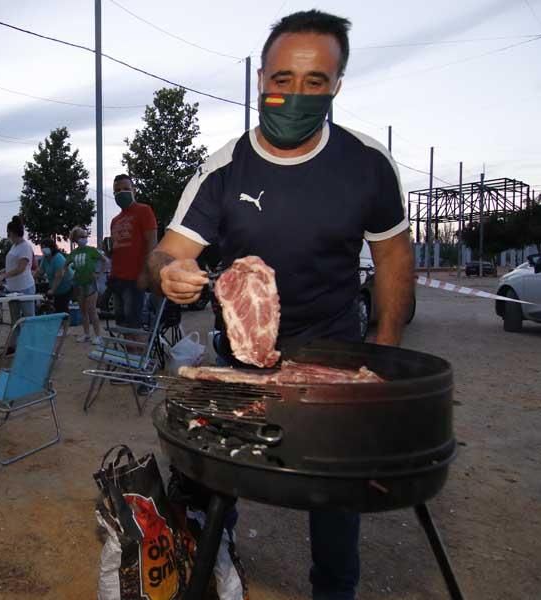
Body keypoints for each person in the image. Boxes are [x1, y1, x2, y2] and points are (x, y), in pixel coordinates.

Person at [147, 11, 414, 600]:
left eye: (315, 81)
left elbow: (394, 258)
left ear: (336, 86)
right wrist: (171, 275)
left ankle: (334, 590)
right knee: (219, 486)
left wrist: (386, 355)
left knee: (335, 501)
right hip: (244, 356)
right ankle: (217, 566)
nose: (295, 95)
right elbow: (165, 254)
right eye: (282, 80)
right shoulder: (223, 168)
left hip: (336, 354)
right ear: (261, 79)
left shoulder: (365, 164)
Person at [110, 174, 158, 331]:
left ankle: (136, 355)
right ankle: (128, 356)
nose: (121, 193)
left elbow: (152, 242)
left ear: (134, 190)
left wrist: (145, 272)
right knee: (122, 325)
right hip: (117, 280)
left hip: (135, 279)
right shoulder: (115, 220)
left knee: (133, 327)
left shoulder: (144, 211)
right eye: (117, 190)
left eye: (125, 189)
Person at [0, 216, 35, 352]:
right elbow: (12, 265)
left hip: (25, 287)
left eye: (8, 232)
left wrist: (4, 276)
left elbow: (21, 268)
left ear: (12, 232)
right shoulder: (14, 246)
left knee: (29, 319)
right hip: (13, 288)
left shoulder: (25, 247)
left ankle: (31, 345)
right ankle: (13, 345)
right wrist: (0, 272)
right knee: (15, 319)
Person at [68, 226, 103, 344]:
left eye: (85, 236)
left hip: (90, 284)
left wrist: (98, 273)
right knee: (83, 311)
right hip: (79, 284)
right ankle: (86, 334)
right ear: (75, 239)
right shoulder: (73, 253)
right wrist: (69, 274)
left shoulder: (91, 250)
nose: (84, 238)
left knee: (92, 310)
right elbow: (66, 265)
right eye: (81, 236)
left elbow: (105, 260)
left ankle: (98, 336)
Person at [38, 238, 74, 314]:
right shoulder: (45, 258)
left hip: (66, 286)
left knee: (62, 309)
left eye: (45, 247)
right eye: (42, 247)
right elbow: (40, 271)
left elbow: (59, 276)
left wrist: (52, 290)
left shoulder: (58, 258)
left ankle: (65, 325)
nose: (43, 249)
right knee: (57, 308)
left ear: (51, 247)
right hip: (56, 287)